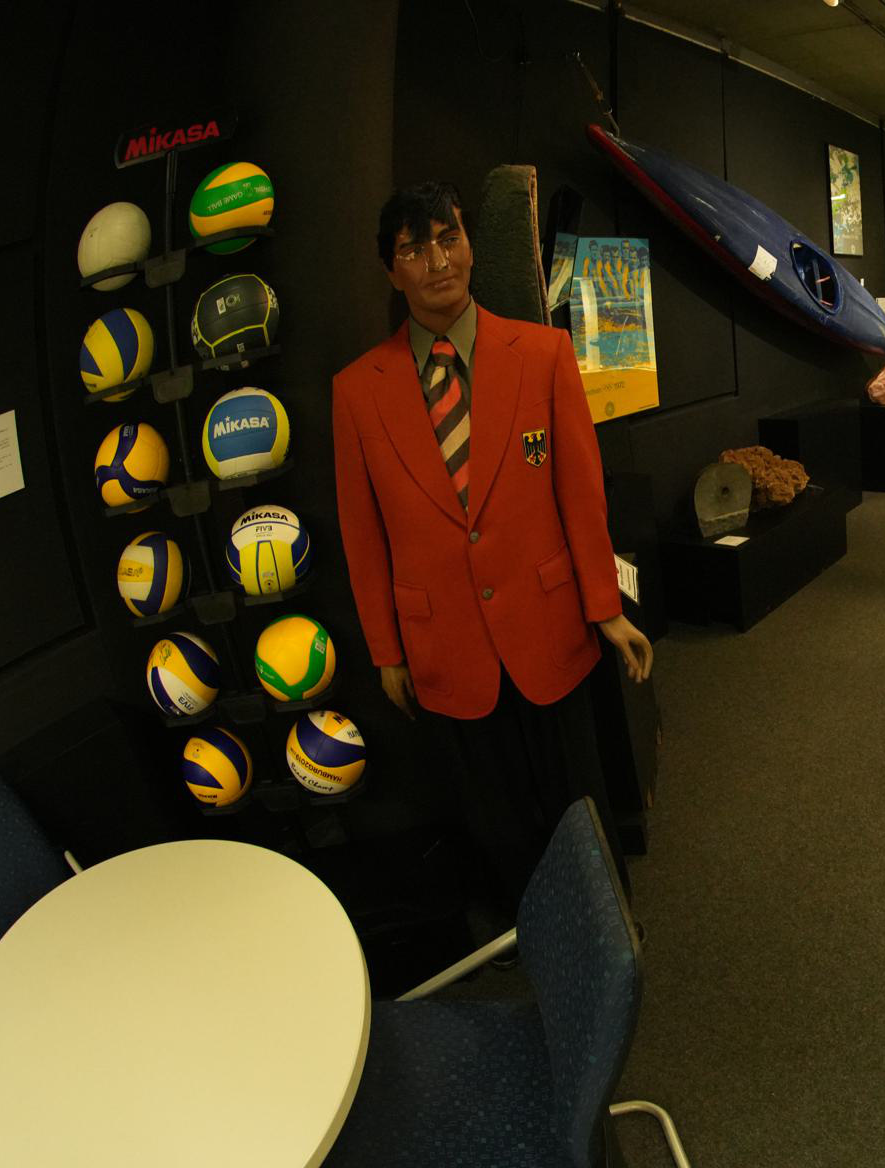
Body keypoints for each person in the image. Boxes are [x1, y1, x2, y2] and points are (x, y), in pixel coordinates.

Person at [332, 180, 653, 919]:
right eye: (415, 250)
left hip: (550, 624)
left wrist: (605, 607)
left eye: (449, 239)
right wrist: (386, 649)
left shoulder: (543, 354)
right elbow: (362, 532)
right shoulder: (357, 391)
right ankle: (535, 936)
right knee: (497, 816)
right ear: (391, 270)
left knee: (578, 800)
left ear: (470, 246)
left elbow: (581, 494)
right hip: (444, 644)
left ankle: (609, 931)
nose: (438, 261)